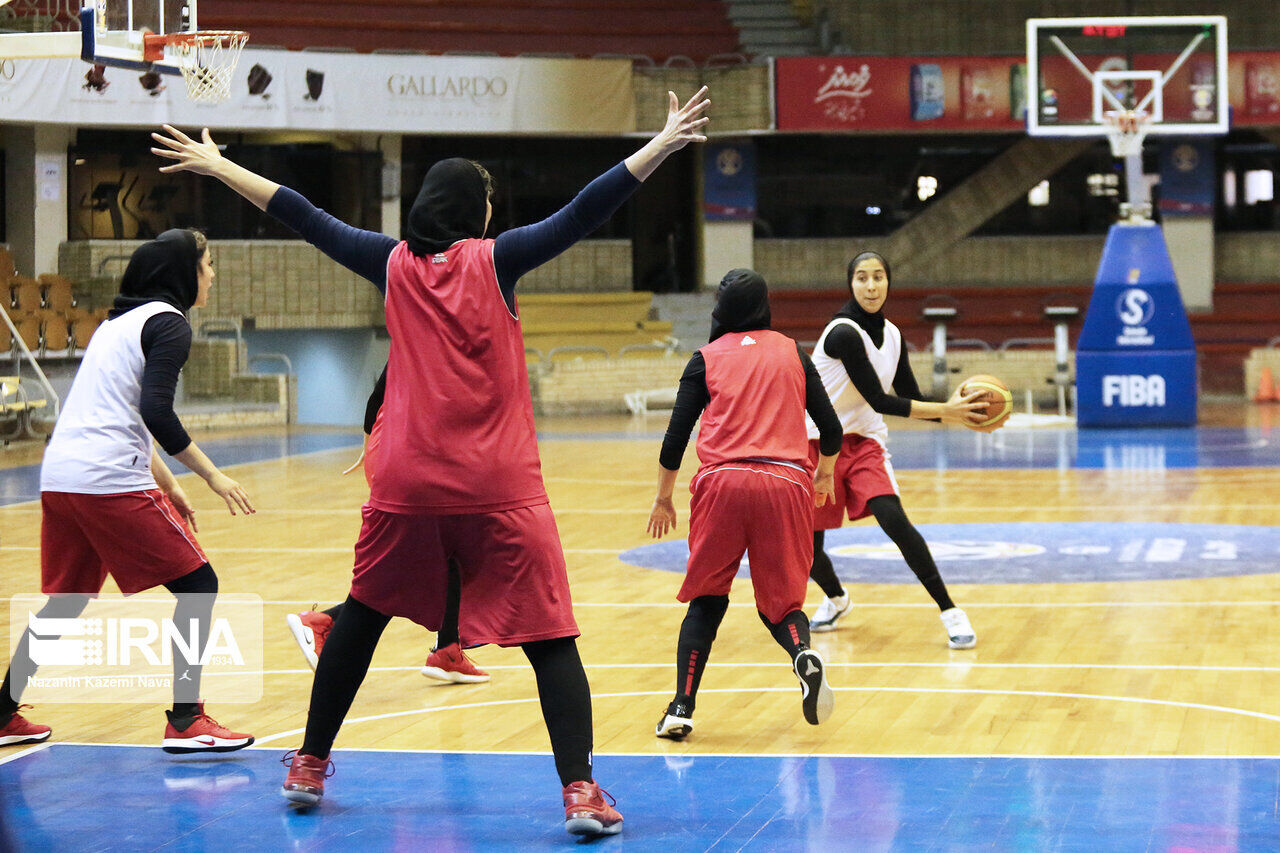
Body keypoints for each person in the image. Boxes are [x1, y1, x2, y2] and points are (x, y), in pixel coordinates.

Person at [152, 86, 709, 837]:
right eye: (485, 200)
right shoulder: (498, 259)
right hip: (498, 485)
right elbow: (585, 209)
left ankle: (310, 763)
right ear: (475, 212)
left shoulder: (391, 264)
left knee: (360, 622)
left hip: (407, 484)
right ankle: (579, 791)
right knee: (549, 641)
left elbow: (301, 214)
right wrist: (663, 143)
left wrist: (220, 168)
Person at [0, 229, 256, 752]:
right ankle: (186, 719)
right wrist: (212, 475)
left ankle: (1, 712)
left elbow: (121, 416)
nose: (212, 275)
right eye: (207, 265)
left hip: (62, 478)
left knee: (65, 603)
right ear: (184, 272)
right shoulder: (171, 324)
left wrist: (171, 484)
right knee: (198, 585)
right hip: (108, 480)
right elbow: (156, 412)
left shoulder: (116, 326)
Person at [646, 269, 843, 740]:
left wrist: (663, 498)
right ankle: (802, 656)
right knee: (782, 605)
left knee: (707, 603)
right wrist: (825, 473)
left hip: (723, 483)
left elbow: (675, 440)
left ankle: (680, 708)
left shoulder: (705, 358)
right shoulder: (794, 352)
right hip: (786, 483)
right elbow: (831, 431)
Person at [805, 251, 982, 649]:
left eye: (879, 277)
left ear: (889, 282)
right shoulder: (843, 333)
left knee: (894, 521)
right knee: (807, 549)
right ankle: (836, 598)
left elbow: (910, 397)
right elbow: (880, 399)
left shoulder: (896, 335)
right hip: (818, 444)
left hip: (865, 442)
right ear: (850, 283)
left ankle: (950, 611)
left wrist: (959, 411)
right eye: (862, 278)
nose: (871, 286)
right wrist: (947, 413)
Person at [287, 366, 489, 684]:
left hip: (396, 453)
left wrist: (369, 449)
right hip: (407, 458)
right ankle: (326, 621)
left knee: (445, 554)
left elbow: (376, 397)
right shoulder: (435, 337)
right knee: (418, 564)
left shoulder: (418, 337)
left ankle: (448, 648)